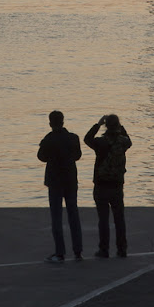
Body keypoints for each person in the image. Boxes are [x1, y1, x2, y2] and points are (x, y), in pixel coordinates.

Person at [37, 110, 83, 263]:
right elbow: (77, 156)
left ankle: (60, 252)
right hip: (70, 179)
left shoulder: (48, 139)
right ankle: (78, 251)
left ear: (50, 123)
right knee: (73, 215)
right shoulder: (73, 138)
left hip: (55, 181)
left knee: (56, 217)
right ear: (63, 121)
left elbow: (41, 157)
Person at [84, 114, 132, 258]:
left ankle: (104, 249)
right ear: (118, 126)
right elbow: (129, 141)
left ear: (106, 126)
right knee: (119, 219)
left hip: (101, 185)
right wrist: (121, 128)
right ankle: (122, 249)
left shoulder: (101, 142)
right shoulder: (123, 142)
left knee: (103, 219)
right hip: (117, 185)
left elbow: (87, 139)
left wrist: (97, 125)